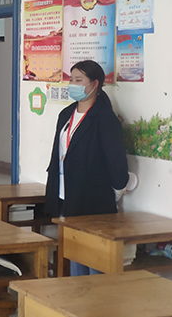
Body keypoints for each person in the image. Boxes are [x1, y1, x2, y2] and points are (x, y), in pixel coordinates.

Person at [44, 59, 129, 276]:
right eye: (71, 79)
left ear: (94, 84)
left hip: (92, 198)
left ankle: (96, 298)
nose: (72, 84)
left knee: (94, 259)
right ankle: (78, 295)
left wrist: (119, 187)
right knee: (75, 253)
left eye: (78, 80)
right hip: (65, 194)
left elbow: (116, 160)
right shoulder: (66, 114)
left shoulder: (105, 118)